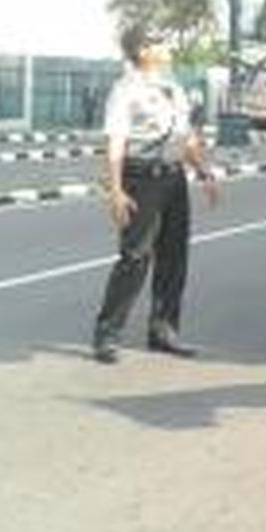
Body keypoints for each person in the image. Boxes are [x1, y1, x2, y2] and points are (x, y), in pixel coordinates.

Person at [91, 22, 220, 364]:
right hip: (141, 178)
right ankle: (107, 333)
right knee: (135, 258)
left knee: (174, 258)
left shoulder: (173, 88)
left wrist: (204, 172)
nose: (167, 47)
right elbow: (116, 141)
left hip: (174, 178)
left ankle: (163, 331)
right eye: (159, 42)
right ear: (143, 51)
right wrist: (116, 190)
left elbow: (186, 138)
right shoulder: (125, 90)